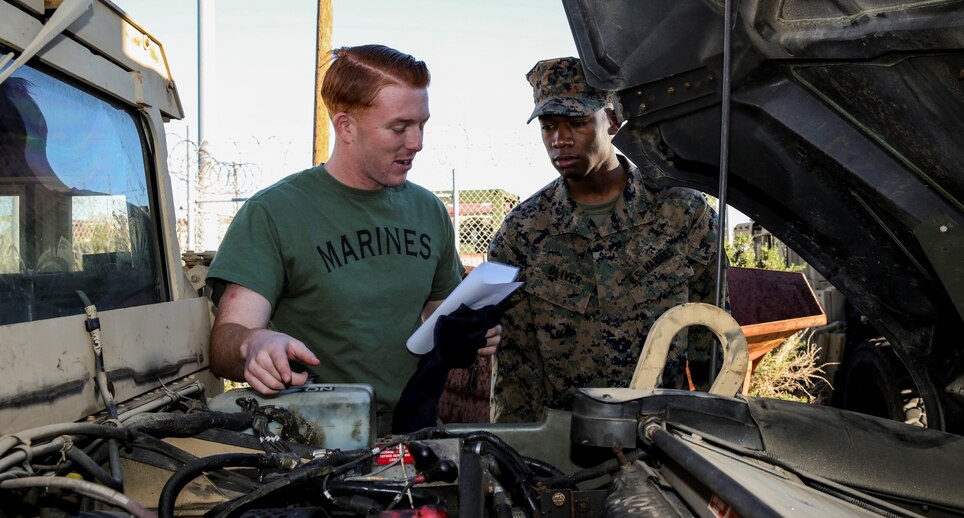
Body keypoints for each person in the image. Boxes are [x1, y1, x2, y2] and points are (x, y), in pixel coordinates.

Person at [206, 44, 500, 425]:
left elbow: (437, 315)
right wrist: (253, 344)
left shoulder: (428, 211)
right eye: (399, 127)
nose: (417, 143)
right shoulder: (275, 213)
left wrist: (473, 329)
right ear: (345, 126)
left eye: (422, 124)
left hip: (413, 428)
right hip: (316, 438)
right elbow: (225, 339)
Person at [489, 56, 721, 423]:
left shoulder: (682, 213)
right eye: (548, 126)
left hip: (662, 432)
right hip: (568, 443)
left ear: (611, 121)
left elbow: (712, 335)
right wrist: (518, 453)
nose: (559, 140)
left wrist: (714, 433)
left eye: (578, 123)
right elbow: (515, 365)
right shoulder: (524, 230)